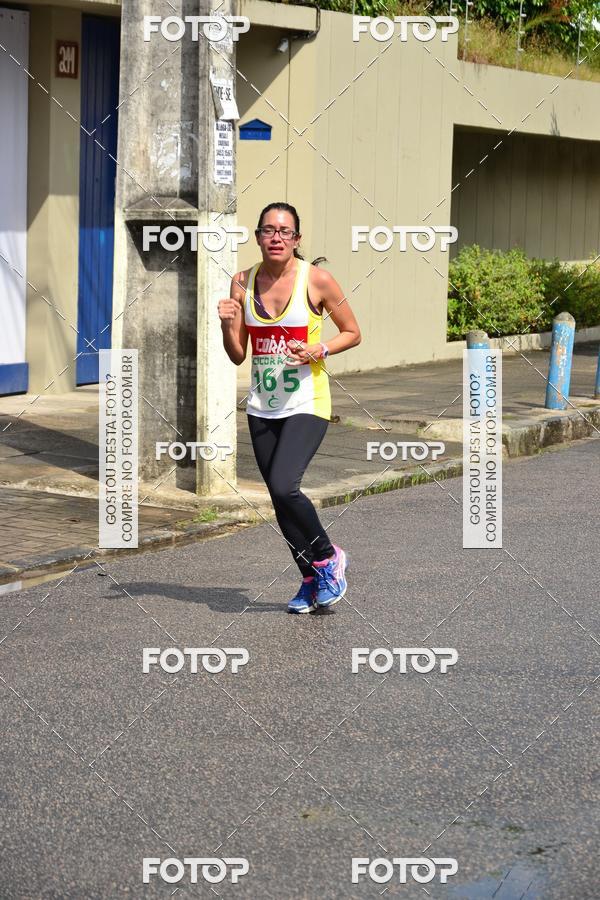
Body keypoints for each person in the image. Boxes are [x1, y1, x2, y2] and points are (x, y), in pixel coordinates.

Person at [218, 202, 361, 613]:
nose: (276, 237)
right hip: (262, 406)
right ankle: (310, 581)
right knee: (278, 500)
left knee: (285, 485)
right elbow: (237, 355)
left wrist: (320, 347)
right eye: (268, 230)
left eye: (285, 231)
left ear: (296, 239)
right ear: (259, 236)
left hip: (307, 402)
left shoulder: (316, 281)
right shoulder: (242, 283)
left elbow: (352, 332)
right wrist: (229, 323)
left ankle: (327, 556)